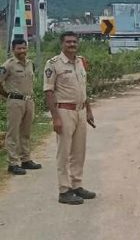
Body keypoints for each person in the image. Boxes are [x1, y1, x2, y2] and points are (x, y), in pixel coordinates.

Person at [44, 32, 96, 205]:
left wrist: (88, 110)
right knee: (64, 153)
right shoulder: (54, 64)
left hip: (80, 111)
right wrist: (55, 118)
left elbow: (83, 89)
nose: (72, 44)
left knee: (79, 152)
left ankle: (76, 185)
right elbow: (49, 92)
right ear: (62, 44)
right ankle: (64, 190)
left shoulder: (80, 62)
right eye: (68, 42)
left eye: (74, 41)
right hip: (64, 112)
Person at [0, 39, 41, 175]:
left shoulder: (30, 64)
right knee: (13, 133)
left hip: (29, 101)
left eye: (24, 48)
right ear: (13, 50)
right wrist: (6, 95)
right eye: (19, 49)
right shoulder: (8, 65)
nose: (22, 51)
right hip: (15, 102)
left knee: (26, 131)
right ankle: (13, 163)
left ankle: (26, 159)